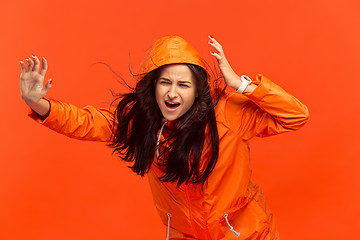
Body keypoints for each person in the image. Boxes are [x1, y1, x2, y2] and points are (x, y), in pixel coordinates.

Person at [20, 35, 309, 240]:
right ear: (153, 86)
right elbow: (87, 122)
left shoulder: (227, 114)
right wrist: (38, 104)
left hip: (245, 233)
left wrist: (242, 85)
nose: (173, 93)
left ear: (197, 90)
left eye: (183, 85)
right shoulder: (143, 124)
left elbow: (296, 115)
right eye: (165, 83)